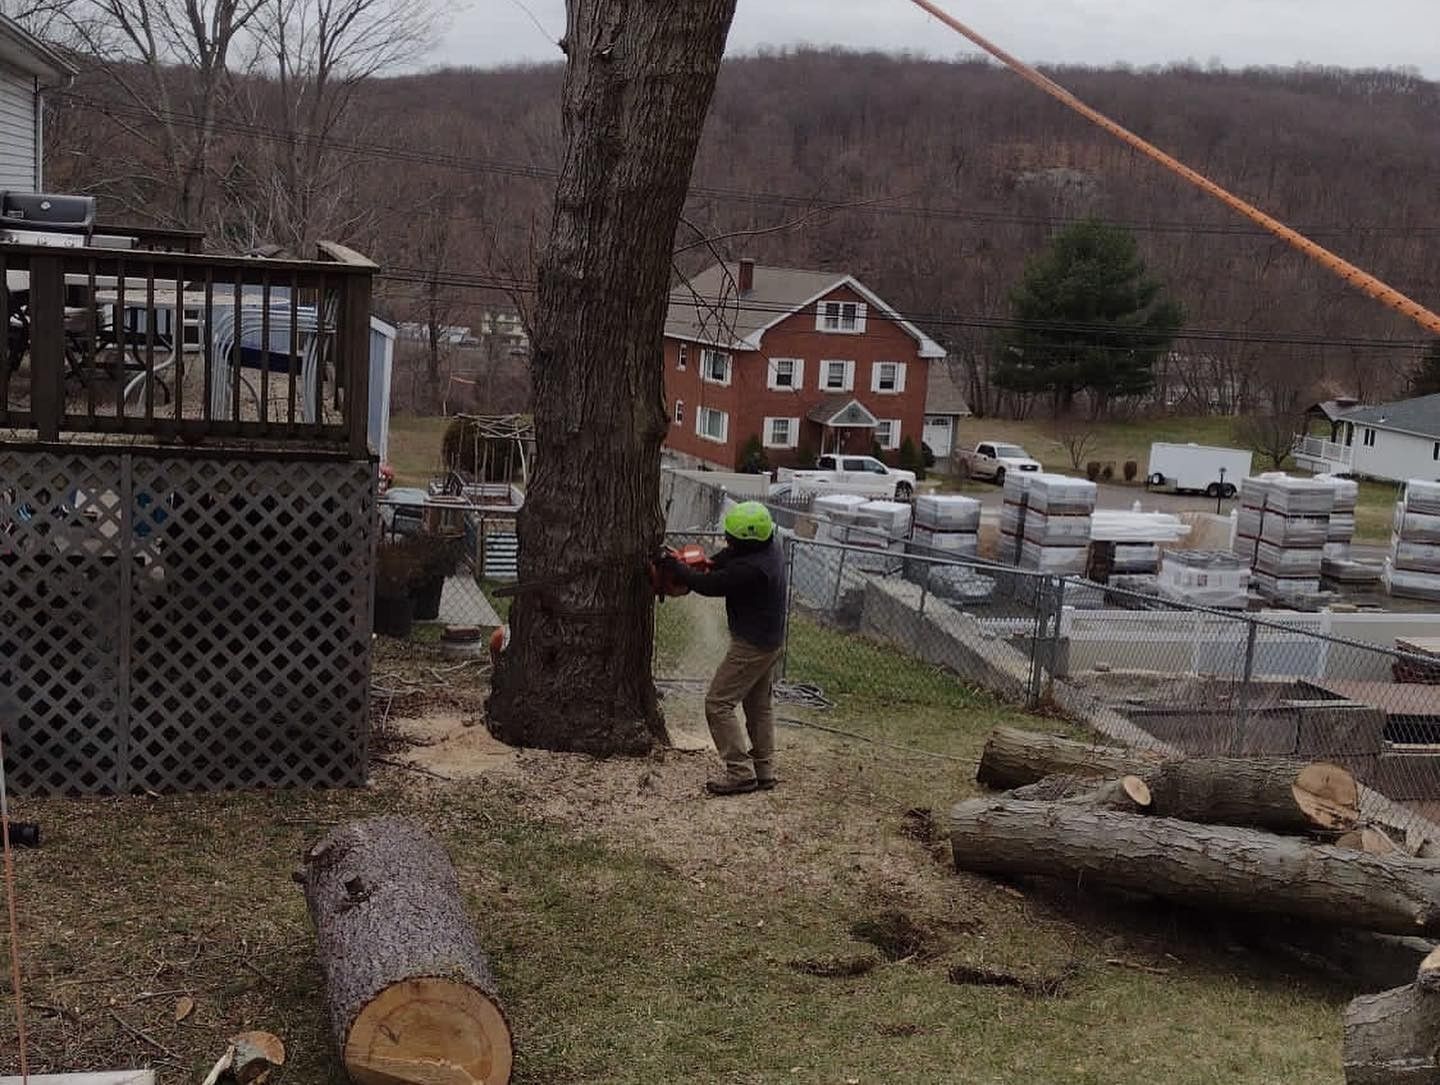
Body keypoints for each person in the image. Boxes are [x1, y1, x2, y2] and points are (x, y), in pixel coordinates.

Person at [661, 501, 788, 796]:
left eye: (732, 538)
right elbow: (728, 558)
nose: (727, 542)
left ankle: (740, 773)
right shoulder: (768, 546)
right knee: (758, 706)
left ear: (747, 540)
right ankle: (764, 770)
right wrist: (705, 561)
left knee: (718, 703)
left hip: (752, 646)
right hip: (769, 641)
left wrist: (677, 568)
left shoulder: (754, 569)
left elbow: (711, 585)